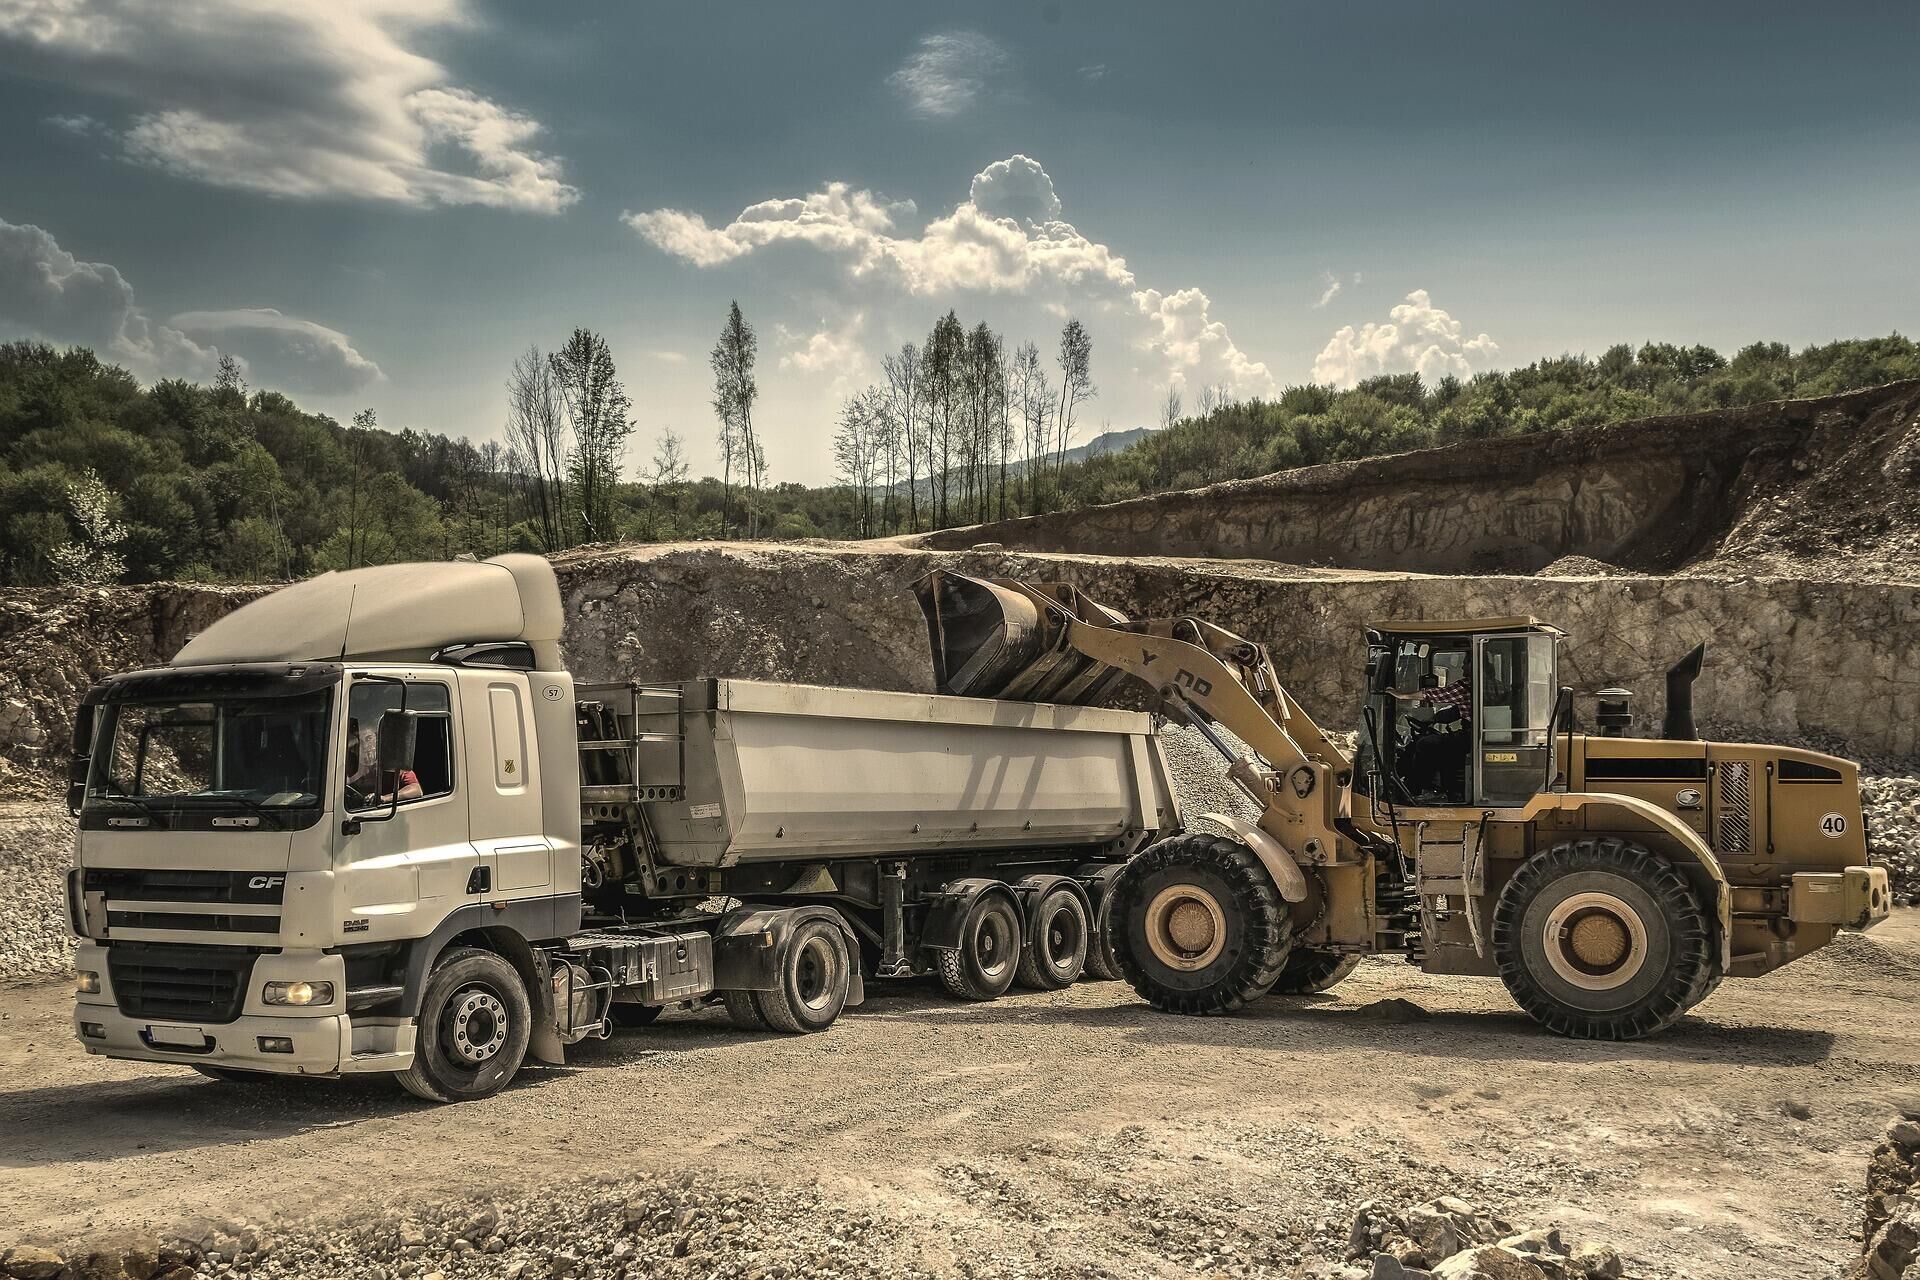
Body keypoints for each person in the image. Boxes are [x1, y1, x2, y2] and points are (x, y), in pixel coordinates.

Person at [1391, 672, 1472, 800]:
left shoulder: (1466, 685)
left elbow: (1434, 695)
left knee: (1425, 744)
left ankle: (1429, 789)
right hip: (1481, 735)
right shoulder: (1496, 686)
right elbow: (1458, 711)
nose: (1463, 667)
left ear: (1472, 664)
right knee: (1439, 741)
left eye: (1465, 663)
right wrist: (1435, 718)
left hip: (1469, 738)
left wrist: (1402, 695)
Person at [345, 716, 422, 808]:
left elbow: (416, 789)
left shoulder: (391, 762)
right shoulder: (350, 765)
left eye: (369, 739)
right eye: (359, 741)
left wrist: (384, 799)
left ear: (377, 740)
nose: (365, 746)